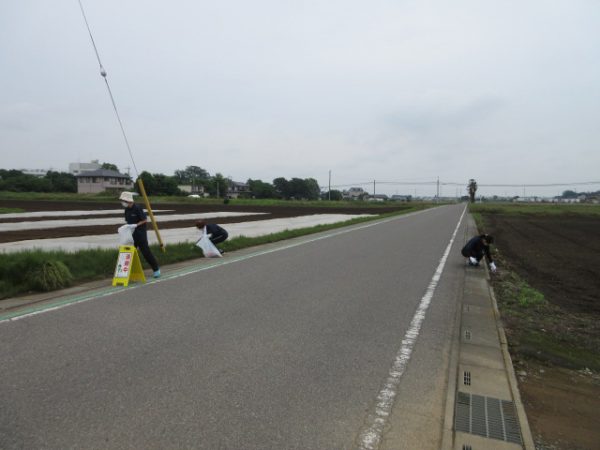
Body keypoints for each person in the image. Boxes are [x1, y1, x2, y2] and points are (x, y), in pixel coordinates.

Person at [119, 191, 161, 278]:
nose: (122, 203)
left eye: (123, 201)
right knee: (129, 253)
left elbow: (145, 220)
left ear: (128, 201)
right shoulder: (126, 210)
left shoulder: (137, 208)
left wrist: (136, 225)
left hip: (140, 234)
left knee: (146, 252)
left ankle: (156, 269)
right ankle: (126, 273)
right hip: (131, 235)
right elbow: (128, 221)